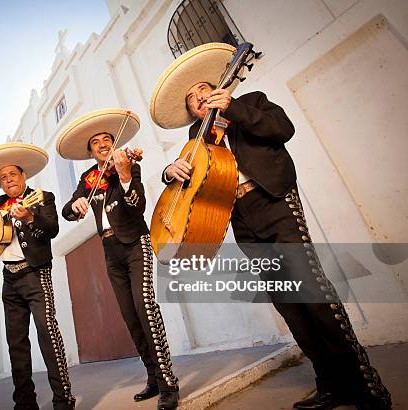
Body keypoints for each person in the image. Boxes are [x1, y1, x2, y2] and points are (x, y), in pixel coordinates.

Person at [150, 42, 391, 410]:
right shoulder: (194, 140)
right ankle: (330, 385)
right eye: (191, 99)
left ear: (217, 89)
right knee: (290, 304)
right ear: (190, 112)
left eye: (202, 89)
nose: (198, 97)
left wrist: (235, 109)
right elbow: (195, 187)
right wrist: (169, 172)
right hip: (242, 219)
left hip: (274, 202)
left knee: (313, 293)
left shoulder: (251, 102)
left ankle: (366, 386)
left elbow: (283, 128)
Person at [57, 109, 180, 410]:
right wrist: (77, 203)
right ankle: (152, 378)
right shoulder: (89, 180)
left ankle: (168, 382)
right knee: (130, 316)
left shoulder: (128, 166)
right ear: (90, 151)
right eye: (96, 142)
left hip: (135, 243)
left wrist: (124, 174)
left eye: (107, 139)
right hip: (110, 250)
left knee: (145, 308)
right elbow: (67, 212)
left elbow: (136, 206)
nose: (102, 144)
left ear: (114, 145)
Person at [0, 143, 75, 410]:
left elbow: (51, 229)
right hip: (9, 279)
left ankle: (63, 400)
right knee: (16, 343)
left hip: (36, 273)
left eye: (13, 174)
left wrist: (28, 217)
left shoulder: (42, 197)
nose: (8, 179)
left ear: (23, 176)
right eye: (3, 177)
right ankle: (25, 403)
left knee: (48, 334)